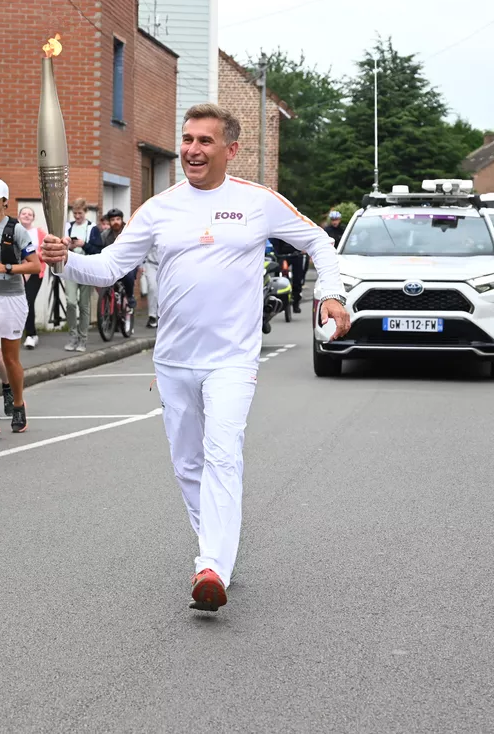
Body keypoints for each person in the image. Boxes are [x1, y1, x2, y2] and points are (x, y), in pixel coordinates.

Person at [40, 103, 351, 612]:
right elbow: (110, 267)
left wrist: (331, 294)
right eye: (187, 139)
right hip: (174, 360)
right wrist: (66, 259)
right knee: (188, 464)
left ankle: (211, 567)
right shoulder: (160, 208)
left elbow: (319, 241)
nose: (191, 150)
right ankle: (217, 550)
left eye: (205, 141)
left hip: (232, 359)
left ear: (230, 150)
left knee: (222, 454)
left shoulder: (257, 202)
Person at [0, 179, 41, 437]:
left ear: (5, 201)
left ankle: (19, 404)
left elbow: (35, 265)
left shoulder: (16, 230)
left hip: (12, 297)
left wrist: (8, 268)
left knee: (11, 359)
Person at [63, 198, 102, 351]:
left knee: (84, 305)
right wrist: (69, 245)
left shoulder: (92, 228)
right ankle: (73, 336)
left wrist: (83, 244)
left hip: (86, 268)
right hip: (71, 268)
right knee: (71, 302)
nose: (77, 216)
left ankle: (83, 339)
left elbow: (98, 250)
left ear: (86, 212)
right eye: (75, 213)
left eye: (80, 213)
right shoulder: (68, 226)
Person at [17, 204, 46, 350]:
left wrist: (31, 256)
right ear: (19, 217)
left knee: (28, 300)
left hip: (35, 271)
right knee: (17, 302)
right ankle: (16, 332)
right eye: (24, 213)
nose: (27, 216)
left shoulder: (39, 233)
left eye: (30, 214)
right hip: (18, 271)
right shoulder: (15, 231)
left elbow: (45, 253)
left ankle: (31, 334)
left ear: (33, 218)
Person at [101, 208, 137, 315]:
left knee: (129, 276)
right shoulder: (105, 235)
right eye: (112, 220)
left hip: (128, 263)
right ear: (109, 222)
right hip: (112, 264)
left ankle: (130, 296)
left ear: (122, 220)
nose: (115, 222)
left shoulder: (129, 232)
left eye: (118, 219)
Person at [142, 242, 161, 328]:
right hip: (151, 264)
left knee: (165, 289)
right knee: (153, 288)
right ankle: (152, 316)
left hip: (164, 265)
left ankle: (162, 315)